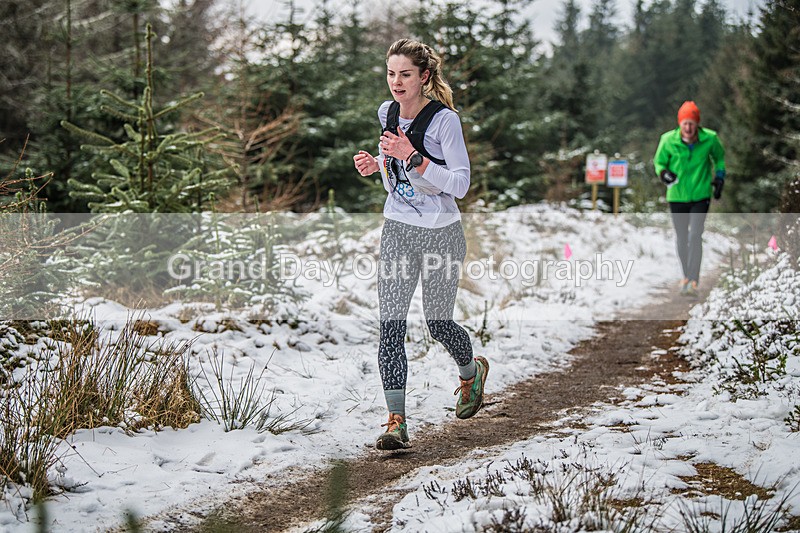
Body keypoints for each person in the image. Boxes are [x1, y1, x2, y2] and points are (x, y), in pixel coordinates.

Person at [352, 38, 489, 451]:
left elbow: (460, 185)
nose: (396, 82)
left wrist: (413, 156)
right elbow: (395, 167)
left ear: (424, 76)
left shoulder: (445, 121)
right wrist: (377, 164)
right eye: (391, 73)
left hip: (441, 232)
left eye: (405, 75)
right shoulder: (388, 112)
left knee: (438, 323)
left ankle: (471, 372)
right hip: (398, 228)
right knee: (390, 325)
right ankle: (396, 421)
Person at [654, 101, 726, 297]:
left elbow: (719, 158)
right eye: (685, 123)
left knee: (695, 235)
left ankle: (694, 280)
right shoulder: (668, 140)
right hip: (677, 195)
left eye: (691, 123)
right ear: (680, 124)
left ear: (697, 124)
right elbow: (659, 162)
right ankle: (685, 276)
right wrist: (663, 173)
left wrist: (720, 177)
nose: (688, 128)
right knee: (682, 237)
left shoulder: (710, 139)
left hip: (701, 194)